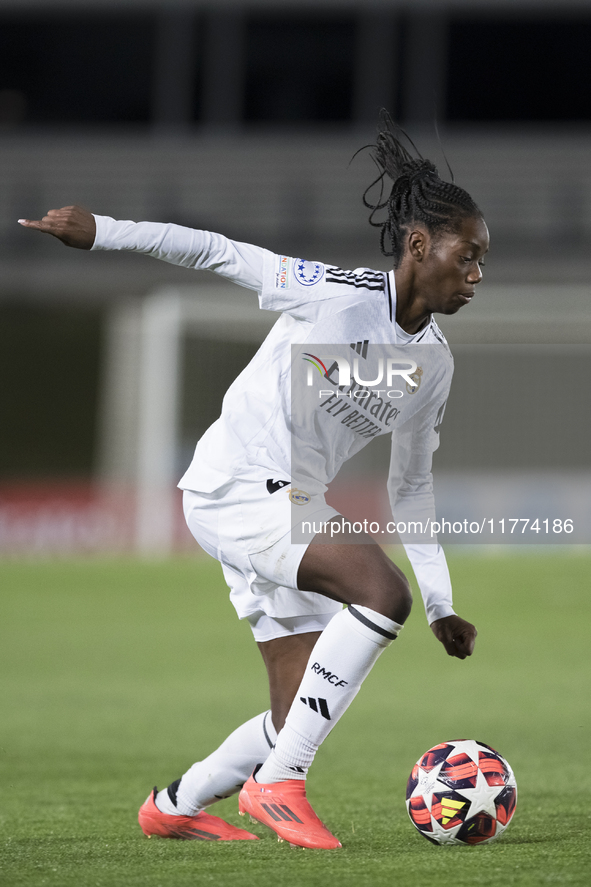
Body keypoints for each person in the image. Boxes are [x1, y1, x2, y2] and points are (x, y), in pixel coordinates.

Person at [19, 115, 487, 850]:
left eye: (482, 261)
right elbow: (216, 250)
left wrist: (440, 603)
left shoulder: (433, 363)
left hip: (285, 505)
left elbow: (413, 487)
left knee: (299, 703)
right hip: (239, 487)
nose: (476, 275)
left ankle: (177, 800)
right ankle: (280, 783)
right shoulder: (335, 295)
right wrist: (101, 230)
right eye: (467, 256)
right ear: (419, 245)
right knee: (377, 592)